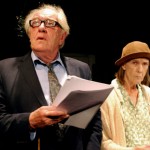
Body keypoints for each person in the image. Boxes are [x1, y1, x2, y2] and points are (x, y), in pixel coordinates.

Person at [0, 3, 102, 150]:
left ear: (62, 37)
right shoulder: (5, 69)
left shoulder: (81, 69)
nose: (41, 27)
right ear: (30, 34)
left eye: (50, 23)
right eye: (35, 23)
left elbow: (94, 122)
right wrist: (29, 121)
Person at [100, 41, 150, 150]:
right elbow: (104, 142)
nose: (140, 70)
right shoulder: (108, 97)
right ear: (123, 65)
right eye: (135, 63)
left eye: (144, 64)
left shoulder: (148, 95)